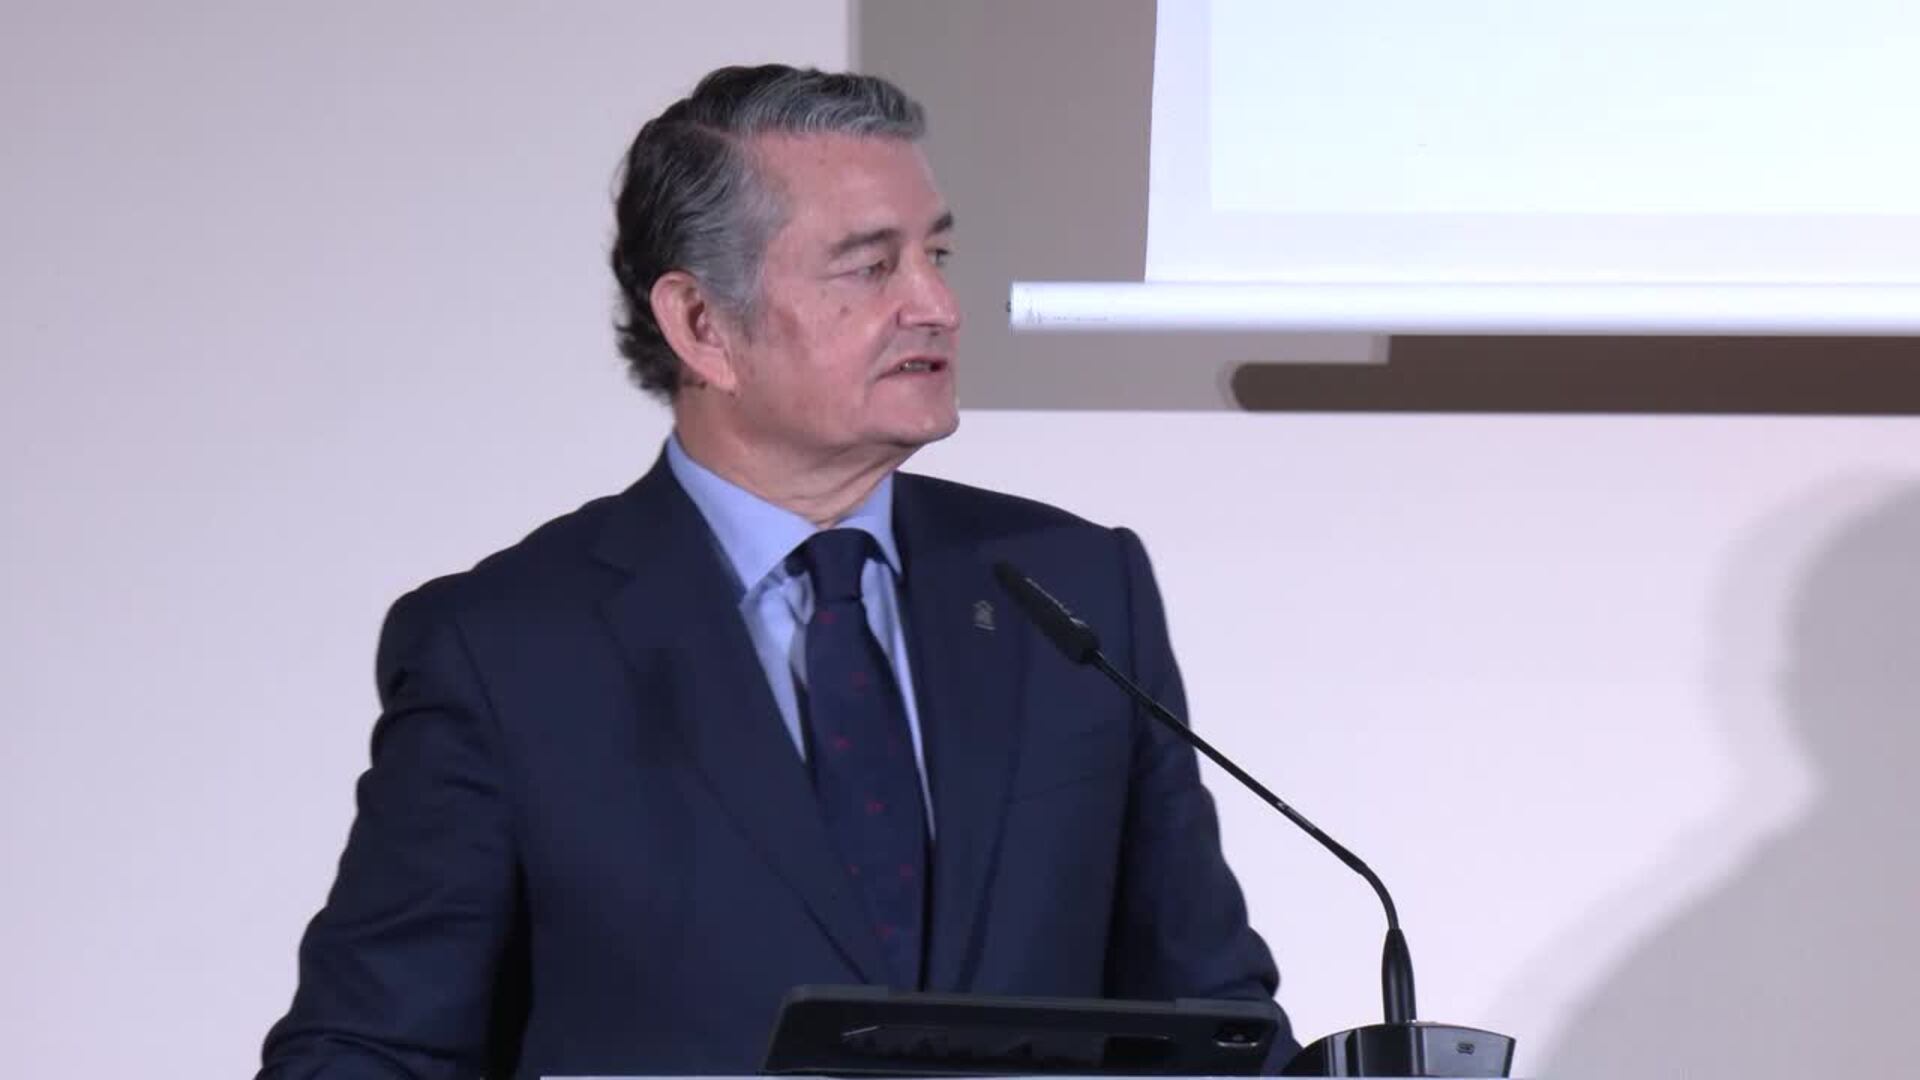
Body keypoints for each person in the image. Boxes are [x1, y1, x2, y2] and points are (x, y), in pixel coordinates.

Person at [259, 64, 1292, 1079]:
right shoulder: (506, 650)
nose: (937, 303)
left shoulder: (1075, 591)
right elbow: (368, 1049)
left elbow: (1216, 1020)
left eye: (936, 254)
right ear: (701, 325)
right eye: (871, 266)